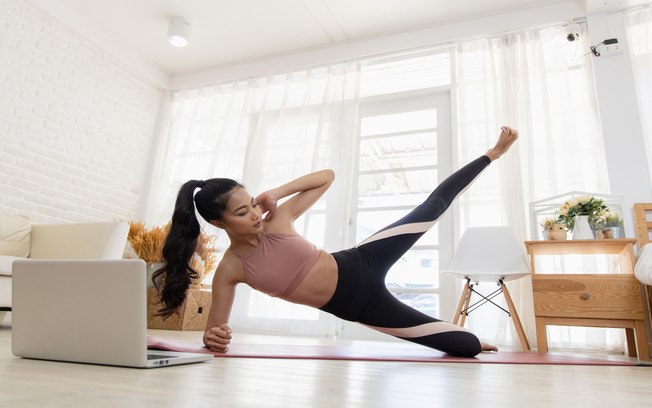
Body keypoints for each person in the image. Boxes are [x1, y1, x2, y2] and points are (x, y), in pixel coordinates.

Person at [154, 126, 519, 358]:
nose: (252, 214)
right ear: (218, 222)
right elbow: (212, 331)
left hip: (361, 261)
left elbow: (326, 176)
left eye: (251, 204)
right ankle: (466, 338)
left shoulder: (276, 219)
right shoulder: (231, 269)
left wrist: (276, 193)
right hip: (361, 306)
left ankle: (491, 154)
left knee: (433, 206)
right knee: (466, 347)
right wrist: (215, 338)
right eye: (241, 212)